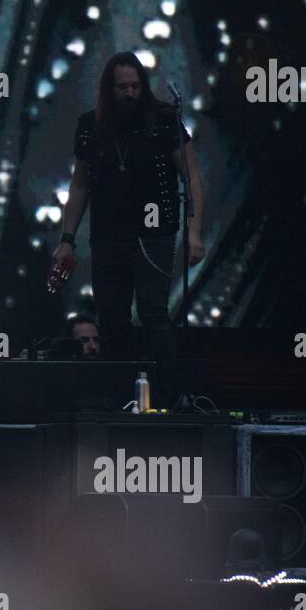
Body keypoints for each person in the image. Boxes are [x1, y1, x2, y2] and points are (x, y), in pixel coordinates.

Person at [51, 52, 206, 408]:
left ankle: (171, 397)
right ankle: (119, 397)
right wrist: (67, 239)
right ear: (110, 88)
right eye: (122, 87)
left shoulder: (164, 120)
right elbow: (79, 186)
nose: (130, 93)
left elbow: (192, 176)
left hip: (154, 234)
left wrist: (195, 233)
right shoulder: (91, 125)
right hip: (108, 235)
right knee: (112, 317)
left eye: (136, 86)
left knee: (154, 314)